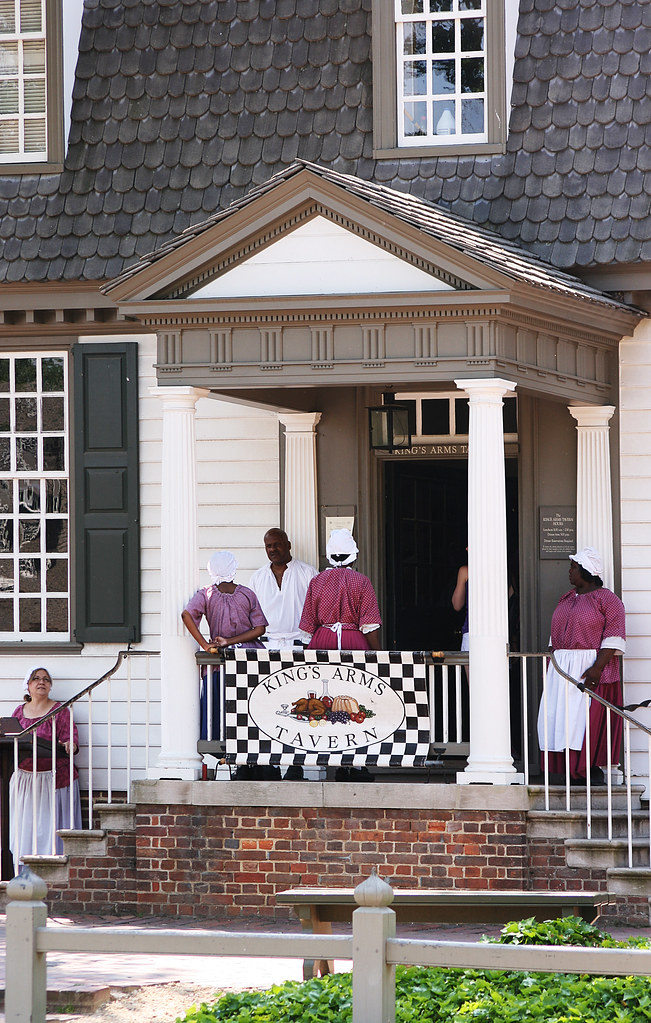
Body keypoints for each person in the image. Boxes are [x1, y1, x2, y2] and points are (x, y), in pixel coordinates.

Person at [537, 547, 626, 785]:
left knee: (586, 720)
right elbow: (554, 636)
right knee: (563, 717)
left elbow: (614, 637)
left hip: (591, 668)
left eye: (573, 567)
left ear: (587, 570)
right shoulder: (566, 598)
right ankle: (569, 768)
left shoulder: (608, 600)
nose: (569, 571)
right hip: (564, 667)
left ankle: (588, 768)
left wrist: (597, 668)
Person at [182, 551, 267, 742]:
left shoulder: (206, 594)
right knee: (248, 709)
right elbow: (259, 628)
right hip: (248, 661)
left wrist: (204, 644)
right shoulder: (247, 593)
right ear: (233, 568)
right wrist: (232, 641)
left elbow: (186, 615)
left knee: (220, 709)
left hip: (220, 662)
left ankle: (223, 751)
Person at [10, 666, 82, 871]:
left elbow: (71, 738)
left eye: (46, 679)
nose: (41, 682)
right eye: (36, 679)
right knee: (27, 830)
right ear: (28, 685)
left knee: (50, 831)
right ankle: (24, 874)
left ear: (50, 686)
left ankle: (52, 872)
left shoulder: (60, 711)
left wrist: (70, 745)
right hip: (26, 781)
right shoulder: (18, 712)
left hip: (53, 780)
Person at [299, 529, 381, 651]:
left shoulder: (316, 581)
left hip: (322, 640)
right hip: (353, 642)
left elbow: (307, 625)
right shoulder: (362, 581)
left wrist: (307, 654)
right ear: (354, 557)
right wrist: (379, 655)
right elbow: (369, 625)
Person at [249, 529, 317, 650]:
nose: (272, 549)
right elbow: (251, 614)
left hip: (300, 644)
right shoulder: (257, 577)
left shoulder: (308, 573)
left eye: (277, 545)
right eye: (268, 546)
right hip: (266, 645)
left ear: (288, 545)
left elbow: (317, 610)